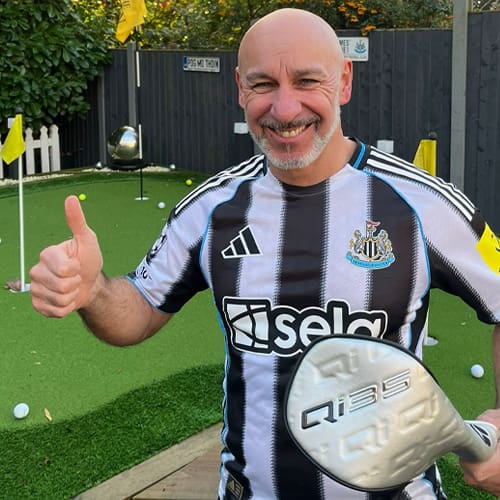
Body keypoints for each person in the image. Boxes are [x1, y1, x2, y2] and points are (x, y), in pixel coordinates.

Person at [29, 8, 500, 500]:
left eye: (307, 81)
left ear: (343, 81)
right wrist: (93, 291)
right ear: (240, 88)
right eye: (263, 84)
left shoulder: (424, 205)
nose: (285, 107)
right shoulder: (210, 210)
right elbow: (140, 311)